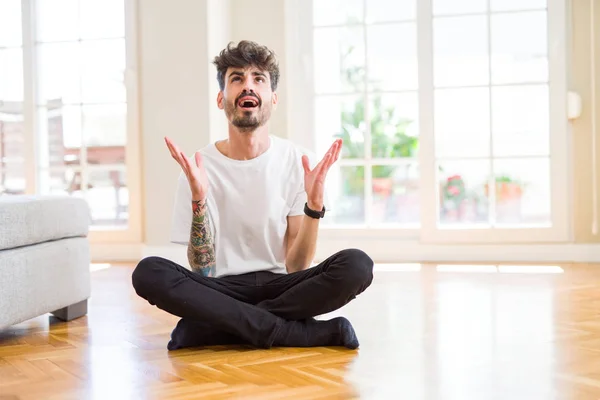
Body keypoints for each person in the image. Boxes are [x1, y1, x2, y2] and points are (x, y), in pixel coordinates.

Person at [131, 40, 374, 351]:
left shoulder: (297, 160)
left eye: (258, 78)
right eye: (237, 79)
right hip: (221, 289)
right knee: (149, 272)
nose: (248, 86)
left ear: (272, 98)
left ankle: (215, 328)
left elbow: (297, 266)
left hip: (283, 287)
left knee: (357, 265)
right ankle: (301, 334)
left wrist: (314, 207)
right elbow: (202, 270)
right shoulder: (198, 169)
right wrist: (198, 200)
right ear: (222, 99)